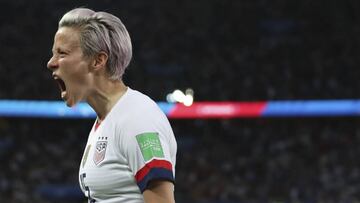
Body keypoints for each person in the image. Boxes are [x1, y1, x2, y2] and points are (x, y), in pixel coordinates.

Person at [47, 8, 177, 203]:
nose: (51, 63)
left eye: (62, 53)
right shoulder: (106, 119)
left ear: (98, 61)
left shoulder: (137, 118)